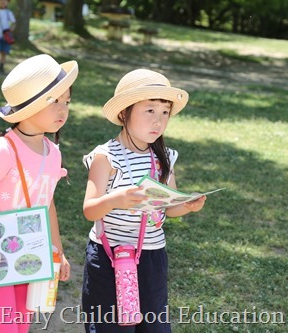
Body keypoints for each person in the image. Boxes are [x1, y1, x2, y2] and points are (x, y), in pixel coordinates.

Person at [0, 53, 78, 333]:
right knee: (4, 329)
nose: (63, 109)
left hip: (31, 255)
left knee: (21, 329)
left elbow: (47, 205)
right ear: (29, 107)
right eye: (54, 101)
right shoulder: (2, 150)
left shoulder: (54, 152)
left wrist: (57, 252)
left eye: (67, 102)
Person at [82, 68, 207, 332]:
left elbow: (168, 208)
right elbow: (90, 210)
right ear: (124, 112)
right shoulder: (106, 157)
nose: (158, 121)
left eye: (165, 113)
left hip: (151, 258)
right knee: (111, 327)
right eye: (150, 111)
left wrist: (186, 205)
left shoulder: (164, 157)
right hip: (109, 257)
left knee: (154, 327)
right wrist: (116, 199)